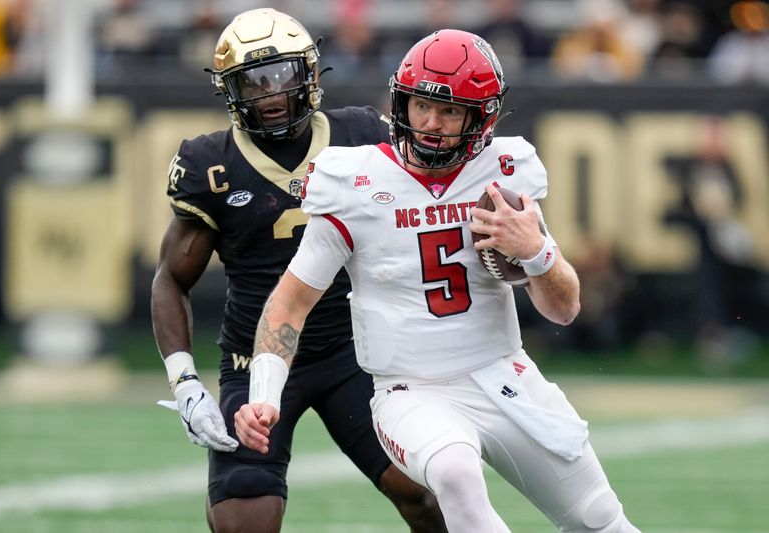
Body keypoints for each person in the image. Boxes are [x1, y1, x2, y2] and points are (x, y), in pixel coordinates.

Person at [235, 29, 641, 533]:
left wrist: (535, 252)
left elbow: (565, 309)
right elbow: (289, 304)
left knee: (600, 520)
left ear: (481, 117)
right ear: (401, 103)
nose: (431, 124)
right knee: (454, 472)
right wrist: (265, 393)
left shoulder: (502, 175)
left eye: (451, 112)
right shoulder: (355, 182)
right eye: (423, 105)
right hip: (410, 391)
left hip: (502, 374)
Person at [151, 8, 446, 533]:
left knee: (428, 491)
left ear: (308, 73)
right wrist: (185, 383)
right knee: (245, 517)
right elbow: (171, 279)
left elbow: (420, 216)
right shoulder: (210, 165)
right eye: (253, 82)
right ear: (229, 90)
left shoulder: (360, 134)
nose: (269, 94)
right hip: (253, 356)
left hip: (353, 352)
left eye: (281, 76)